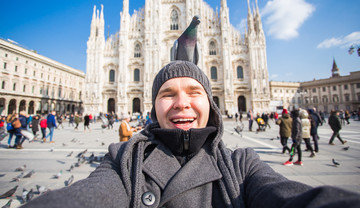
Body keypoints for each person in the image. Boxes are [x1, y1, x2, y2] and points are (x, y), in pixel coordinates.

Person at [23, 61, 360, 207]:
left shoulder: (241, 166)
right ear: (153, 106)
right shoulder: (124, 161)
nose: (181, 102)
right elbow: (88, 198)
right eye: (167, 93)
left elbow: (288, 197)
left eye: (194, 92)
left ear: (210, 103)